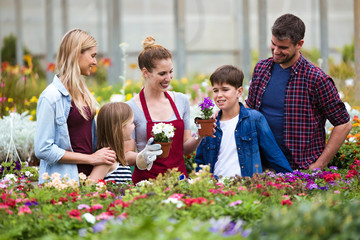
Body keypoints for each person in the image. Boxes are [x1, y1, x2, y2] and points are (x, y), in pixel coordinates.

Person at [246, 14, 352, 170]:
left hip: (299, 169)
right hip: (261, 167)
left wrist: (320, 164)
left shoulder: (316, 79)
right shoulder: (261, 69)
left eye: (283, 47)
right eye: (273, 44)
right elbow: (250, 111)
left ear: (299, 44)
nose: (276, 51)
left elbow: (343, 124)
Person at [35, 29, 116, 184]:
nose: (95, 62)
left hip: (88, 180)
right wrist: (91, 158)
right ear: (77, 53)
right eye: (92, 56)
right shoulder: (51, 96)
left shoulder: (83, 93)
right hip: (63, 183)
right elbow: (43, 149)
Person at [125, 36, 204, 184]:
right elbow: (126, 155)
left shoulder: (181, 101)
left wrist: (199, 135)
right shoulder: (131, 107)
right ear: (145, 72)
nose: (168, 78)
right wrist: (142, 155)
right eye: (162, 74)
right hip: (146, 185)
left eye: (170, 72)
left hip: (179, 182)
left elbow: (185, 149)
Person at [195, 65, 292, 178]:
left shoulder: (255, 119)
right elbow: (200, 162)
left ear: (239, 91)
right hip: (216, 189)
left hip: (246, 188)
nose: (219, 95)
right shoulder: (210, 124)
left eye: (225, 89)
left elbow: (274, 155)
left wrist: (292, 180)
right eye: (215, 90)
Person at [89, 102, 133, 184]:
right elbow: (88, 187)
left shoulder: (118, 157)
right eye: (132, 123)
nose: (134, 126)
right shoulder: (107, 159)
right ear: (121, 127)